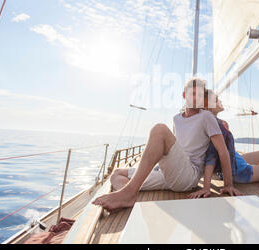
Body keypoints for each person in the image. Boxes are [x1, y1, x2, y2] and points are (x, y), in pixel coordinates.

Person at [93, 77, 241, 211]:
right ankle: (125, 197)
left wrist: (228, 184)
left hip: (189, 176)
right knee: (116, 174)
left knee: (159, 129)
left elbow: (222, 151)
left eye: (201, 95)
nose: (197, 98)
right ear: (184, 95)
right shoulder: (176, 118)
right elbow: (176, 147)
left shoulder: (206, 117)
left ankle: (128, 194)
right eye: (193, 94)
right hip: (170, 174)